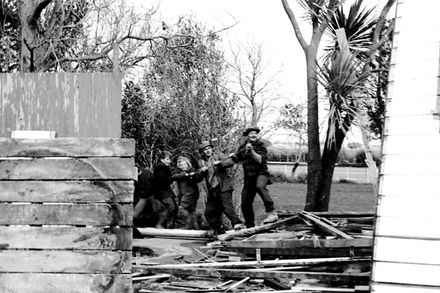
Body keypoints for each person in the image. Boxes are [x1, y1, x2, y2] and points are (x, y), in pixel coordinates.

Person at [230, 127, 278, 228]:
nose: (253, 135)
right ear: (247, 135)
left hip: (261, 173)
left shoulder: (261, 145)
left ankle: (271, 213)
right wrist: (224, 161)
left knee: (260, 186)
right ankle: (250, 226)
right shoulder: (242, 147)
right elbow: (235, 158)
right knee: (245, 203)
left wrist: (251, 151)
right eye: (251, 133)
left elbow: (260, 160)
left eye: (255, 133)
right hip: (249, 178)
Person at [198, 141, 244, 233]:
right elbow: (198, 176)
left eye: (209, 148)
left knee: (227, 207)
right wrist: (201, 171)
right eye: (205, 149)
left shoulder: (218, 155)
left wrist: (220, 163)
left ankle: (238, 225)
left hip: (223, 187)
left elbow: (230, 162)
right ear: (202, 152)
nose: (208, 151)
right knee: (209, 212)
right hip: (212, 190)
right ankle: (219, 229)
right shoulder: (201, 161)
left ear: (212, 149)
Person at [171, 156, 204, 229]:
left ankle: (188, 225)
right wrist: (185, 174)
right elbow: (174, 177)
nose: (183, 166)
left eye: (184, 164)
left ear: (188, 164)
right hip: (183, 194)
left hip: (191, 194)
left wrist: (192, 175)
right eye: (181, 165)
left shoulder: (192, 170)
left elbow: (198, 178)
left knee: (181, 209)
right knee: (191, 211)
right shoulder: (179, 172)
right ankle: (196, 227)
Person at [152, 150, 177, 229]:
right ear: (162, 159)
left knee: (166, 209)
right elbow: (164, 179)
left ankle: (162, 225)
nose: (169, 161)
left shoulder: (161, 166)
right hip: (163, 191)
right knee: (172, 208)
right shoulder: (161, 167)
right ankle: (167, 225)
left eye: (169, 159)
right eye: (167, 159)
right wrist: (173, 178)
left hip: (161, 191)